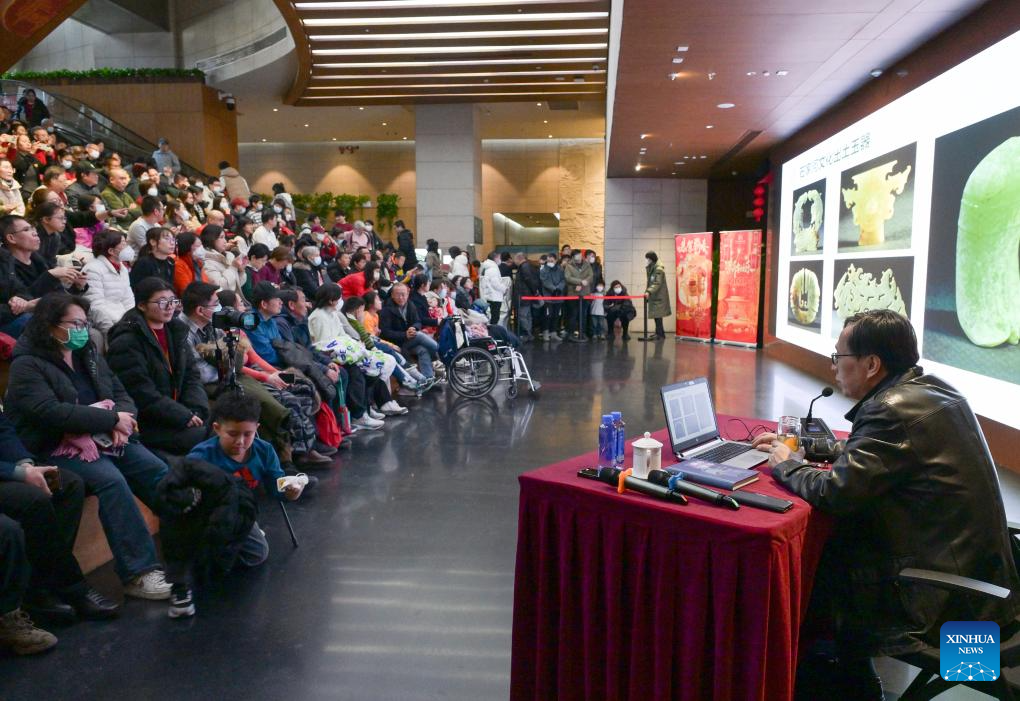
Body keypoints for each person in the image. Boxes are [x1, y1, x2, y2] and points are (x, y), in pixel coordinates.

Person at [753, 309, 1020, 699]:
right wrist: (818, 448)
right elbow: (890, 457)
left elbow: (836, 493)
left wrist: (788, 465)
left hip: (944, 611)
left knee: (823, 570)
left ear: (872, 364)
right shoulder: (931, 389)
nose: (834, 368)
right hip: (987, 586)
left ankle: (835, 685)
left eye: (839, 358)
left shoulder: (888, 409)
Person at [5, 292, 174, 601]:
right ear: (49, 325)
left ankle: (189, 539)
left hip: (106, 436)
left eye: (85, 322)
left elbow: (119, 391)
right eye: (75, 323)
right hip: (57, 445)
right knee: (111, 481)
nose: (83, 329)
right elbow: (49, 412)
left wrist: (124, 420)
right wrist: (109, 420)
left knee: (156, 469)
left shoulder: (87, 351)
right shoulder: (27, 364)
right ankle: (138, 572)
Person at [180, 393, 303, 617]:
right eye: (232, 434)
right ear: (217, 429)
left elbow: (277, 488)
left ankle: (233, 542)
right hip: (206, 516)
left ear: (257, 428)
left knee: (258, 555)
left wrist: (291, 492)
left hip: (239, 514)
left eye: (248, 434)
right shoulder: (200, 457)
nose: (241, 442)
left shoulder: (264, 450)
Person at [0, 411, 119, 627]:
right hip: (5, 474)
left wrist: (25, 464)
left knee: (68, 485)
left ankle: (40, 585)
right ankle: (72, 588)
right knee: (34, 500)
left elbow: (3, 430)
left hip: (9, 470)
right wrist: (17, 473)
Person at [3, 212, 86, 299]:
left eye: (33, 229)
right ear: (11, 238)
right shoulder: (6, 268)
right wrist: (50, 275)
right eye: (26, 230)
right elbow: (23, 301)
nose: (35, 233)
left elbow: (58, 295)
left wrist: (76, 286)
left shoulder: (38, 260)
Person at [379, 283, 440, 380]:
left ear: (408, 294)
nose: (401, 297)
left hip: (409, 341)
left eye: (403, 294)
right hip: (396, 343)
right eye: (398, 294)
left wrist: (414, 328)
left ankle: (428, 378)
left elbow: (417, 322)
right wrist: (404, 335)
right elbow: (385, 332)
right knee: (419, 335)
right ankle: (439, 350)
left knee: (422, 350)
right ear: (392, 295)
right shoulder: (386, 309)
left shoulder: (410, 304)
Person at [82, 229, 136, 336]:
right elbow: (95, 307)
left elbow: (128, 300)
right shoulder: (93, 269)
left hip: (124, 321)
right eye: (123, 244)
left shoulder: (123, 269)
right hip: (107, 323)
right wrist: (116, 329)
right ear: (111, 251)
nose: (128, 248)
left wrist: (134, 320)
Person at [200, 225, 247, 299]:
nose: (225, 241)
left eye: (224, 237)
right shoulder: (207, 262)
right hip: (222, 304)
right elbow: (220, 288)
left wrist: (241, 271)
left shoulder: (229, 255)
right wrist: (233, 267)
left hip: (235, 301)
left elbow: (238, 285)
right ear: (211, 239)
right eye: (221, 237)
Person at [130, 226, 175, 290]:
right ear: (153, 242)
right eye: (167, 239)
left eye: (173, 239)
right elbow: (137, 288)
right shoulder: (144, 263)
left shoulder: (170, 261)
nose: (172, 243)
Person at [563, 248, 593, 341]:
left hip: (585, 293)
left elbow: (590, 276)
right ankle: (571, 334)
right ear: (573, 257)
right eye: (576, 255)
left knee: (583, 314)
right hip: (573, 293)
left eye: (580, 254)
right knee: (573, 314)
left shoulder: (587, 264)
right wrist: (580, 282)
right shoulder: (569, 266)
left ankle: (582, 333)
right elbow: (567, 277)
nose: (579, 256)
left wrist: (585, 282)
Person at [642, 251, 671, 340]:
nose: (647, 260)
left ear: (652, 259)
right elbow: (650, 282)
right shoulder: (652, 267)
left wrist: (649, 292)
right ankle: (658, 333)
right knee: (656, 315)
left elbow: (657, 283)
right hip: (655, 296)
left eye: (648, 259)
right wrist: (648, 292)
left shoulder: (658, 269)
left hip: (659, 297)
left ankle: (660, 334)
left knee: (658, 316)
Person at [513, 252, 540, 342]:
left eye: (515, 259)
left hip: (523, 296)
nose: (514, 261)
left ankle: (527, 334)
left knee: (523, 316)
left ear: (519, 258)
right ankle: (529, 334)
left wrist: (533, 291)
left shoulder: (524, 267)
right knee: (527, 315)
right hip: (527, 295)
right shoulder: (529, 266)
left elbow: (529, 280)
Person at [539, 253, 566, 340]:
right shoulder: (543, 270)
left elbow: (563, 280)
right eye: (549, 260)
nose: (550, 262)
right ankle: (545, 333)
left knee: (556, 315)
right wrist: (553, 289)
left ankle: (554, 333)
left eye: (552, 260)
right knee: (547, 315)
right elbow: (545, 281)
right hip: (548, 297)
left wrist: (559, 289)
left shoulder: (560, 269)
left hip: (559, 297)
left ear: (556, 260)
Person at [173, 231, 207, 296]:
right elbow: (186, 291)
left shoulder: (198, 262)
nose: (201, 248)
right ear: (187, 247)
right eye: (198, 246)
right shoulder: (178, 264)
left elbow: (205, 283)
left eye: (201, 245)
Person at [479, 252, 508, 326]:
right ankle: (493, 334)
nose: (500, 260)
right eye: (499, 258)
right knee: (495, 317)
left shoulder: (488, 268)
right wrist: (504, 289)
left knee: (493, 316)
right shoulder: (493, 269)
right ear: (495, 258)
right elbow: (495, 283)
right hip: (494, 296)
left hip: (491, 295)